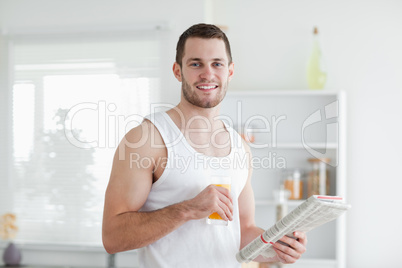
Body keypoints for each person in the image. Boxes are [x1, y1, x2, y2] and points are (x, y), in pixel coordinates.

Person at [102, 23, 307, 267]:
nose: (207, 74)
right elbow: (112, 237)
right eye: (196, 63)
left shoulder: (241, 148)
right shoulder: (146, 139)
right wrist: (186, 210)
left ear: (230, 71)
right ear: (178, 71)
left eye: (217, 64)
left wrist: (278, 247)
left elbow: (243, 233)